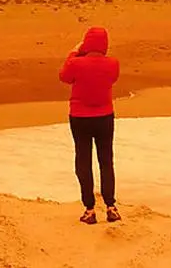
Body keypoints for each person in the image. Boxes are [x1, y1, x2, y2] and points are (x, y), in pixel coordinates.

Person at [58, 26, 121, 224]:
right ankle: (111, 206)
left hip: (80, 116)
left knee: (83, 160)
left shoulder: (76, 63)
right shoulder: (113, 64)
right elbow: (112, 79)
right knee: (106, 160)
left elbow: (64, 76)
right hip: (104, 116)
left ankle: (90, 209)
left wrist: (74, 52)